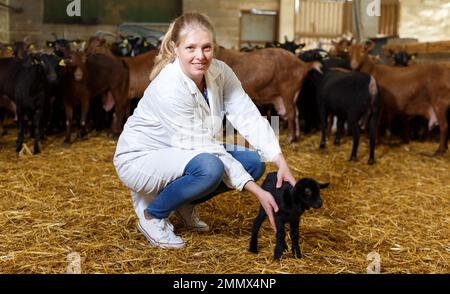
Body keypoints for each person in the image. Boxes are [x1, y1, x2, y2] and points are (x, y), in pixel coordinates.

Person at [113, 12, 296, 249]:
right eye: (191, 48)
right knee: (211, 167)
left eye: (206, 48)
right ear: (175, 48)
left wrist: (279, 159)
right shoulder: (169, 86)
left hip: (183, 150)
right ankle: (152, 215)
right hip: (143, 157)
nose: (200, 56)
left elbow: (246, 114)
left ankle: (182, 202)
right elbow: (203, 146)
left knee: (253, 162)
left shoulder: (220, 72)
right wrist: (258, 192)